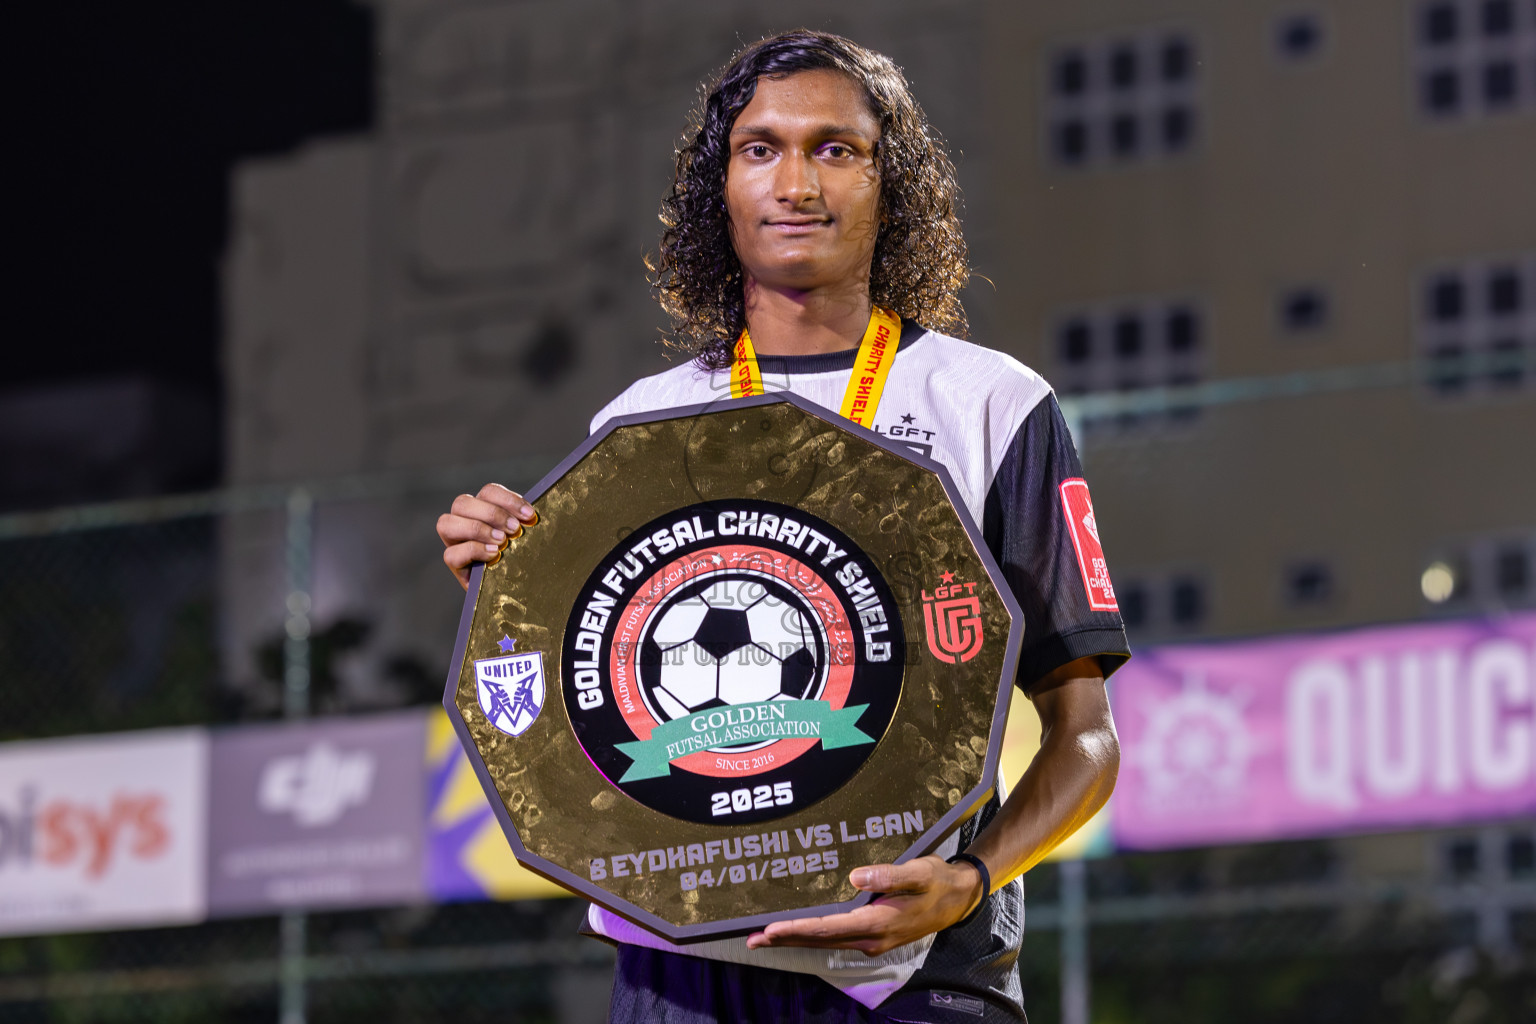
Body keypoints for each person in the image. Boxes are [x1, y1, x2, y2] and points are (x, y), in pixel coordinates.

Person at [436, 29, 1128, 1023]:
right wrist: (515, 592)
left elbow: (1088, 736)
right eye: (760, 148)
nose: (795, 181)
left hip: (921, 975)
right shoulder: (636, 425)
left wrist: (971, 879)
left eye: (834, 149)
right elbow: (578, 719)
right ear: (721, 187)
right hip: (681, 978)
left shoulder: (993, 406)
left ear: (895, 184)